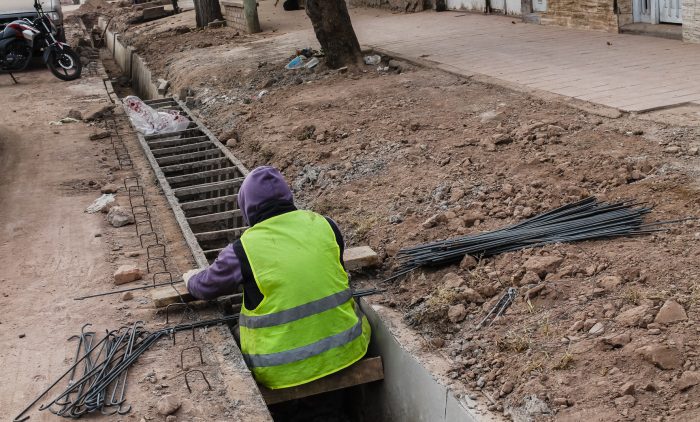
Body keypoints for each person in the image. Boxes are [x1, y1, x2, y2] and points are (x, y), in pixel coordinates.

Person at [183, 166, 371, 390]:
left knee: (235, 329)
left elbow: (206, 287)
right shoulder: (325, 225)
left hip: (280, 368)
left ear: (247, 206)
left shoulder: (243, 248)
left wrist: (190, 278)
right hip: (349, 349)